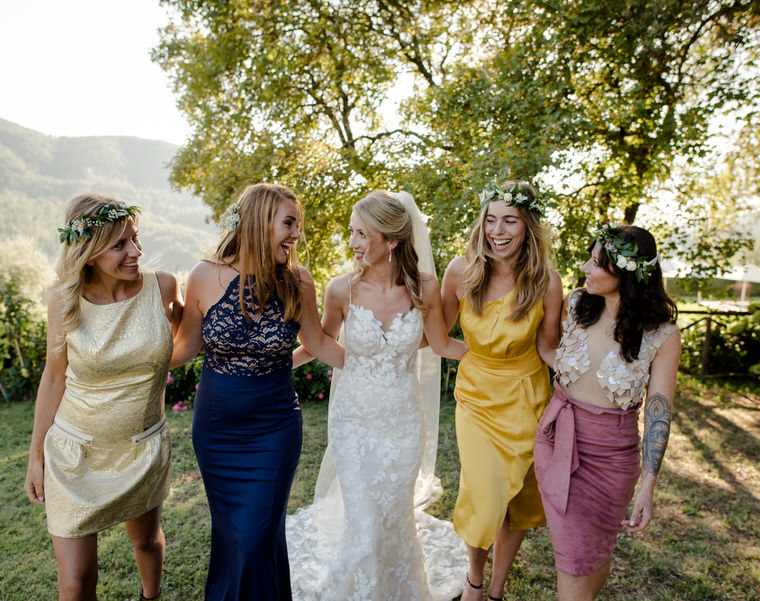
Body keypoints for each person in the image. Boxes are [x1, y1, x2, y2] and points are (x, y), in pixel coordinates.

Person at [287, 190, 470, 601]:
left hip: (403, 423)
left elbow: (441, 344)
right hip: (354, 420)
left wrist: (496, 357)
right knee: (365, 521)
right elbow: (321, 341)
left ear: (392, 240)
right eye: (351, 233)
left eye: (361, 234)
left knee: (391, 515)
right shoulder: (341, 290)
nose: (352, 243)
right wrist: (273, 365)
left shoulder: (424, 286)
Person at [171, 182, 344, 601]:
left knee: (255, 534)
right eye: (289, 223)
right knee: (236, 536)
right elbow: (185, 348)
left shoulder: (297, 281)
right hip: (217, 428)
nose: (296, 235)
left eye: (297, 225)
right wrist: (128, 363)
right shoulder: (204, 275)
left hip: (274, 427)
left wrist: (382, 365)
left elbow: (318, 344)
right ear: (258, 222)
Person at [24, 193, 182, 601]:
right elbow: (54, 377)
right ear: (89, 253)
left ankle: (151, 597)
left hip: (141, 449)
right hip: (75, 453)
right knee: (76, 582)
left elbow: (179, 340)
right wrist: (36, 456)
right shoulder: (63, 299)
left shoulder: (163, 287)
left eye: (135, 238)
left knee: (146, 543)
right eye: (120, 245)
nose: (135, 251)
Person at [533, 224, 680, 601]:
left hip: (614, 460)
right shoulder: (577, 303)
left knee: (596, 549)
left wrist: (648, 484)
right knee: (573, 555)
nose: (585, 268)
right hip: (559, 440)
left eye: (597, 264)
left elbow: (659, 410)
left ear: (627, 273)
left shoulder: (661, 332)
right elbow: (549, 350)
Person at [441, 181, 563, 601]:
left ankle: (496, 589)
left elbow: (547, 347)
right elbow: (438, 338)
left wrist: (586, 381)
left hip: (527, 396)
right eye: (490, 220)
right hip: (476, 397)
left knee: (516, 500)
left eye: (509, 220)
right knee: (485, 493)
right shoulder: (461, 271)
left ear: (527, 226)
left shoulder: (546, 281)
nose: (498, 230)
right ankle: (475, 580)